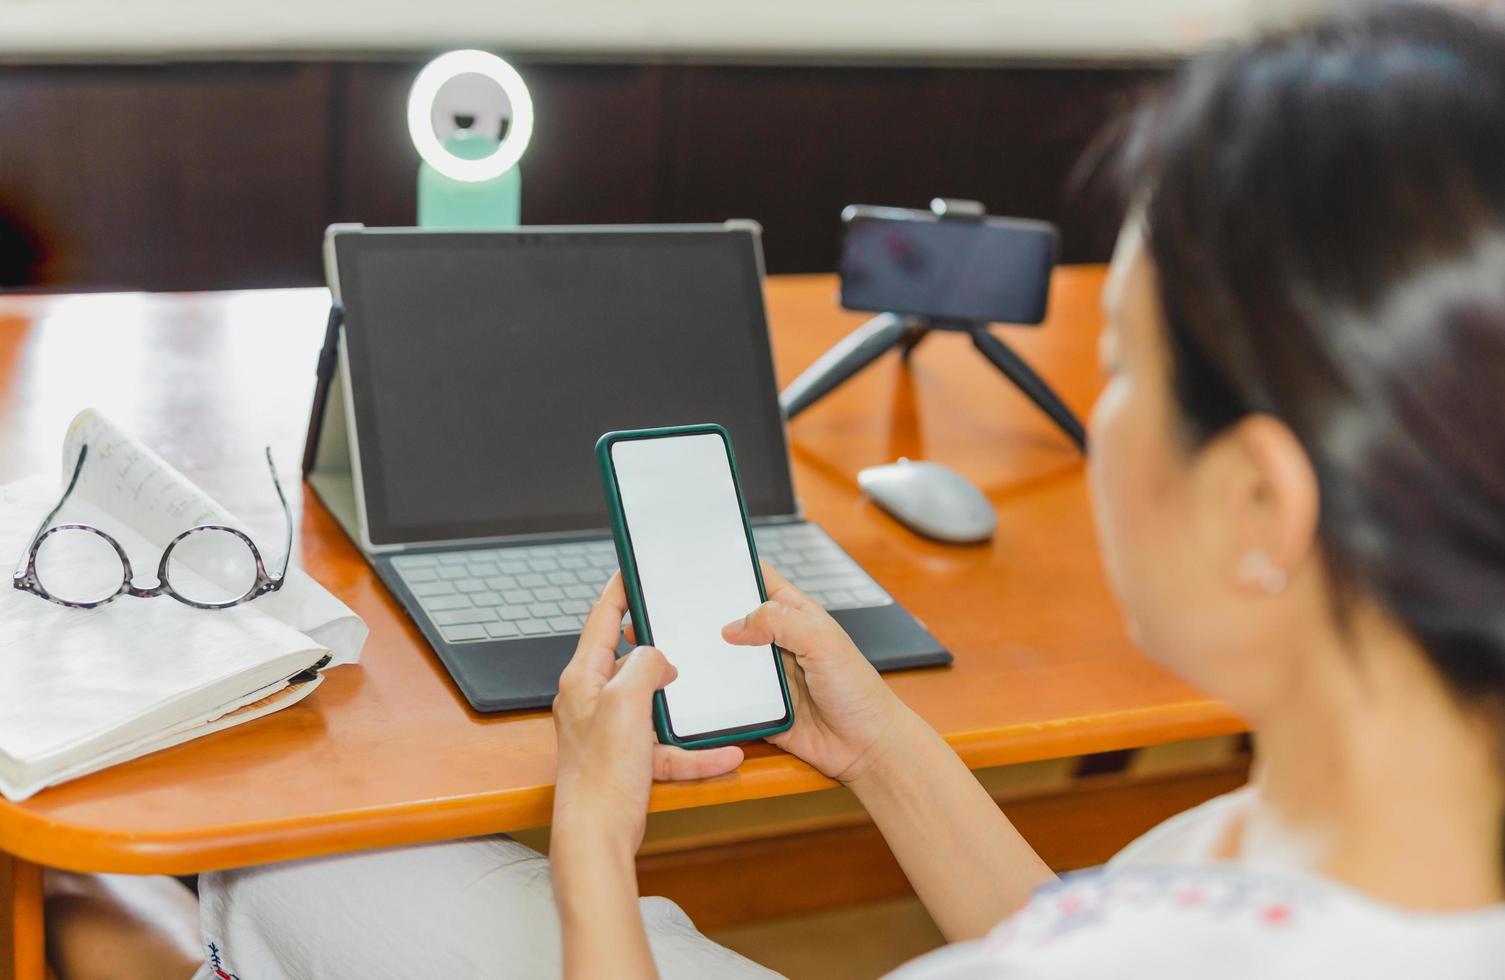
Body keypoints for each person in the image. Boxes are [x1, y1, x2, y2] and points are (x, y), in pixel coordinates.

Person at [42, 2, 1505, 976]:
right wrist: (876, 751)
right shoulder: (1358, 851)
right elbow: (1076, 942)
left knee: (281, 875)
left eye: (1117, 365)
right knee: (324, 869)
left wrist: (594, 850)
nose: (1094, 410)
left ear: (1260, 507)